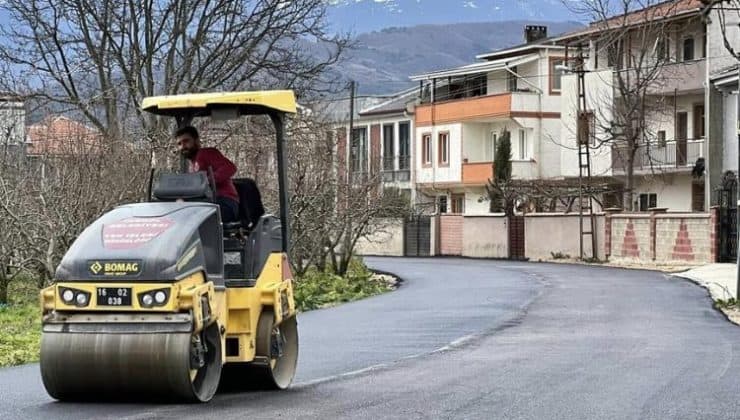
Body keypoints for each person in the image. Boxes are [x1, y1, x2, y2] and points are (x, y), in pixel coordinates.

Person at [175, 125, 240, 223]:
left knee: (188, 215)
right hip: (206, 204)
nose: (183, 146)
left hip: (224, 203)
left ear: (196, 141)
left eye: (186, 141)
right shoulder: (191, 166)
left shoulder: (207, 153)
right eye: (179, 144)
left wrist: (206, 181)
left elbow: (230, 167)